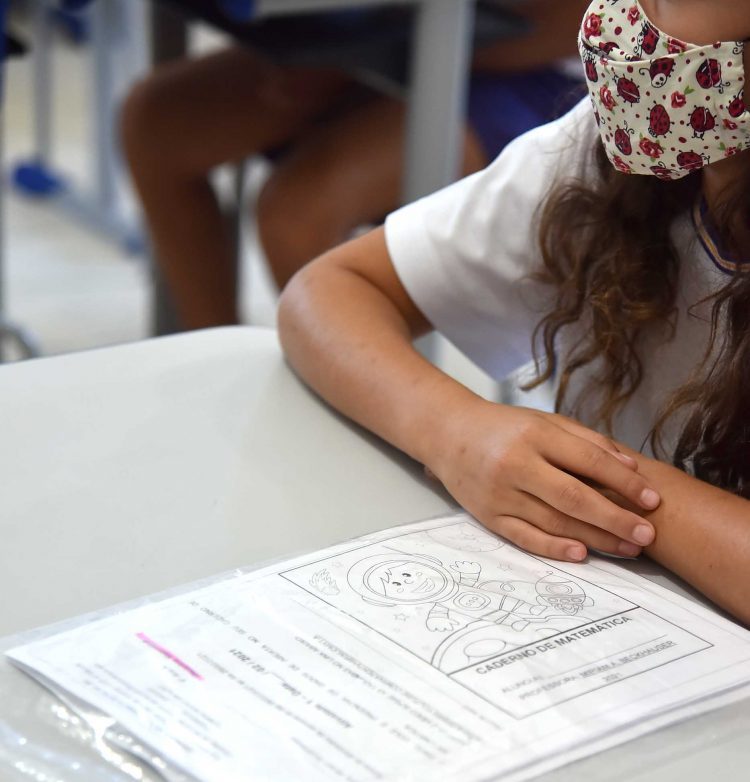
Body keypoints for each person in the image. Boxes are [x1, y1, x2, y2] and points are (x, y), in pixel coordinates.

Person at [277, 0, 750, 626]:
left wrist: (593, 491)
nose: (620, 17)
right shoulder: (607, 155)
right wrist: (454, 431)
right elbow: (329, 290)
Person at [120, 0, 588, 329]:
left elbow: (567, 21)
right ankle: (213, 356)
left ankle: (358, 415)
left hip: (539, 67)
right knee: (155, 124)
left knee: (296, 213)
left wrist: (339, 60)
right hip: (383, 28)